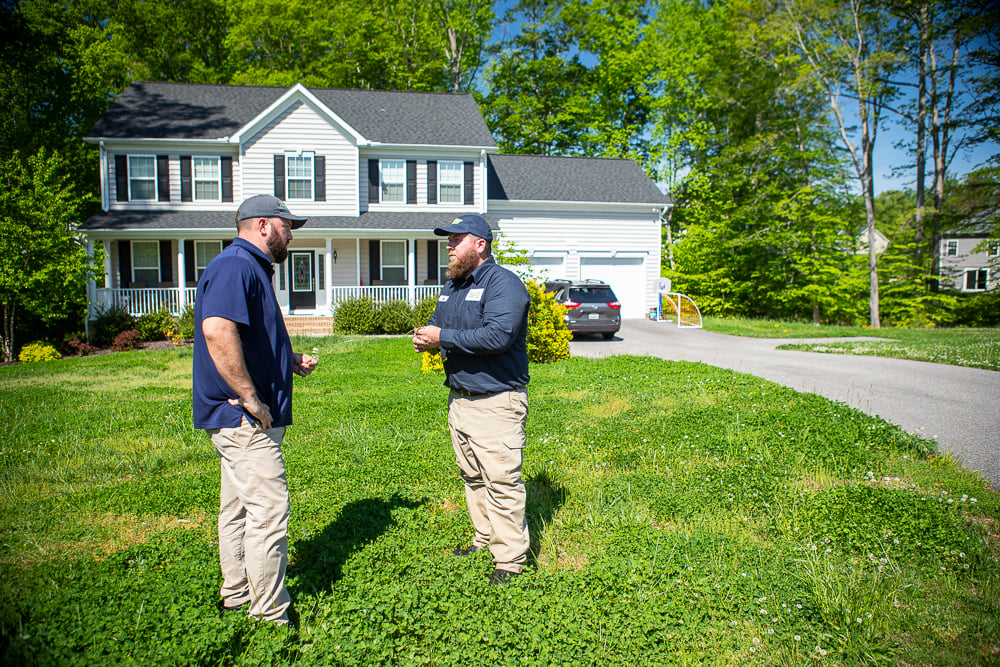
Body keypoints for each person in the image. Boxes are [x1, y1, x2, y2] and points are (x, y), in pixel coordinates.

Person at [192, 194, 318, 624]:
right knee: (268, 511)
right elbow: (217, 331)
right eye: (287, 226)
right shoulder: (236, 266)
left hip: (242, 416)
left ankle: (237, 592)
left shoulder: (250, 268)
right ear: (263, 225)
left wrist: (290, 360)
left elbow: (249, 337)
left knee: (239, 509)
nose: (291, 235)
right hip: (243, 418)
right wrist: (249, 396)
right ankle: (269, 615)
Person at [412, 214, 531, 585]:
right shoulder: (453, 286)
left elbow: (497, 336)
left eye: (456, 239)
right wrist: (426, 337)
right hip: (460, 399)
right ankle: (485, 539)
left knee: (501, 479)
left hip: (496, 400)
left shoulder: (505, 285)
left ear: (480, 244)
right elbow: (439, 322)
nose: (448, 246)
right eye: (447, 240)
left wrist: (442, 337)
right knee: (473, 476)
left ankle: (511, 560)